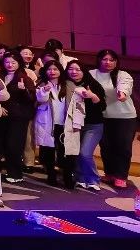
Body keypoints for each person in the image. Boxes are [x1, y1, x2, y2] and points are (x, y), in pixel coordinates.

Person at [92, 49, 135, 190]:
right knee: (106, 146)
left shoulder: (123, 75)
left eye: (111, 60)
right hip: (102, 116)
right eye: (105, 59)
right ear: (99, 60)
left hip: (124, 116)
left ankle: (121, 176)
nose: (108, 62)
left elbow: (125, 86)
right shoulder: (92, 74)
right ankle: (110, 173)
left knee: (123, 146)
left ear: (116, 62)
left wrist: (122, 93)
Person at [33, 62, 79, 190]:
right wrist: (44, 90)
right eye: (49, 69)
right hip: (48, 122)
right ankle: (51, 175)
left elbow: (77, 103)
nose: (52, 72)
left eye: (55, 69)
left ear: (60, 71)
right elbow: (40, 100)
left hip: (65, 123)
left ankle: (67, 177)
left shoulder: (69, 84)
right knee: (49, 151)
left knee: (66, 152)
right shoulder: (41, 84)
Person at [68, 59, 108, 191]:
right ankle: (80, 178)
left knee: (85, 153)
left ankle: (93, 179)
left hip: (93, 125)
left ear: (84, 71)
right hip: (73, 125)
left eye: (77, 69)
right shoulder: (65, 84)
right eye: (70, 69)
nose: (74, 72)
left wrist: (93, 96)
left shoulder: (92, 84)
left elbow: (103, 106)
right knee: (76, 153)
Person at [0, 53, 36, 183]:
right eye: (7, 62)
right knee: (4, 144)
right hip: (3, 115)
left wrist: (24, 89)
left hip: (19, 116)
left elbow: (31, 99)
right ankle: (8, 171)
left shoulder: (25, 78)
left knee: (14, 145)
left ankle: (16, 174)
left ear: (19, 63)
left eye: (13, 62)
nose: (10, 65)